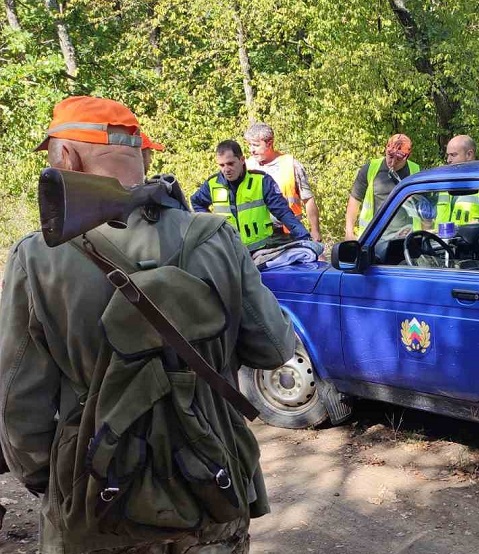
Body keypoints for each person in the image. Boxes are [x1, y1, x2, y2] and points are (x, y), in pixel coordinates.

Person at [0, 96, 296, 553]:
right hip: (211, 492)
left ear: (65, 157)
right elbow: (274, 348)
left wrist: (58, 481)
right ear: (145, 158)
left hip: (97, 508)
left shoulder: (39, 257)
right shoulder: (216, 237)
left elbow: (20, 406)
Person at [191, 140, 311, 251]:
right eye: (222, 165)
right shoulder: (212, 184)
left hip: (260, 250)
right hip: (229, 253)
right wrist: (212, 227)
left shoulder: (261, 181)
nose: (226, 169)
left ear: (242, 160)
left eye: (230, 164)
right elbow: (196, 202)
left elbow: (283, 212)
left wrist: (305, 238)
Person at [244, 123, 321, 242]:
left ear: (269, 143)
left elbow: (308, 200)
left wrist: (315, 231)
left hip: (290, 234)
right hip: (257, 236)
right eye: (249, 145)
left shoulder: (290, 164)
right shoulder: (247, 167)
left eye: (255, 145)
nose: (251, 150)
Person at [345, 134, 420, 240]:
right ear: (386, 148)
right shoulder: (370, 168)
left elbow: (425, 209)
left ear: (407, 156)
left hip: (407, 236)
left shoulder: (416, 172)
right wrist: (349, 232)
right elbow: (354, 200)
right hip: (374, 237)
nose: (393, 161)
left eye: (398, 159)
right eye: (390, 156)